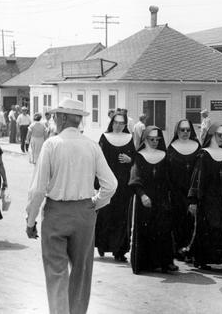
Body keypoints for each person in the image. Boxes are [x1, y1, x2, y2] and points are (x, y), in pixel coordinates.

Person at [25, 98, 117, 314]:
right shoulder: (92, 146)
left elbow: (38, 189)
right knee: (81, 272)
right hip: (84, 214)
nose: (54, 118)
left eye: (57, 115)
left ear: (64, 118)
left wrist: (31, 221)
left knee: (56, 272)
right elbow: (111, 184)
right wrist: (95, 203)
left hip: (56, 212)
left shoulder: (52, 145)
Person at [188, 124, 222, 271]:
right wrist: (193, 201)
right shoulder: (203, 154)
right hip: (205, 199)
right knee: (205, 228)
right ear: (211, 136)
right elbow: (197, 179)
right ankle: (201, 259)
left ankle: (221, 259)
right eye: (219, 135)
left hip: (220, 199)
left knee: (219, 227)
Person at [129, 126, 178, 274]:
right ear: (145, 139)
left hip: (162, 198)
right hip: (145, 199)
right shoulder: (139, 156)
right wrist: (142, 195)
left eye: (158, 139)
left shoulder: (164, 155)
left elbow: (170, 179)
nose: (155, 142)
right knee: (145, 230)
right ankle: (145, 263)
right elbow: (135, 178)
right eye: (152, 139)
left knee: (163, 230)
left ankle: (165, 263)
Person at [95, 111, 135, 262]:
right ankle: (102, 245)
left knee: (121, 216)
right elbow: (97, 159)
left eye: (121, 123)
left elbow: (137, 159)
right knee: (105, 214)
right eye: (116, 123)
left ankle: (120, 251)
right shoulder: (105, 138)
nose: (118, 126)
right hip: (107, 183)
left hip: (124, 185)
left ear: (125, 125)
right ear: (111, 123)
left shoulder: (130, 138)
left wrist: (130, 159)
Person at [166, 118, 201, 261]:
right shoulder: (172, 148)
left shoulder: (197, 147)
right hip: (176, 192)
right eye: (182, 130)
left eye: (188, 130)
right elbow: (167, 171)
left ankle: (190, 250)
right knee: (177, 221)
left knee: (192, 222)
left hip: (193, 192)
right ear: (177, 131)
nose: (185, 133)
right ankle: (178, 249)